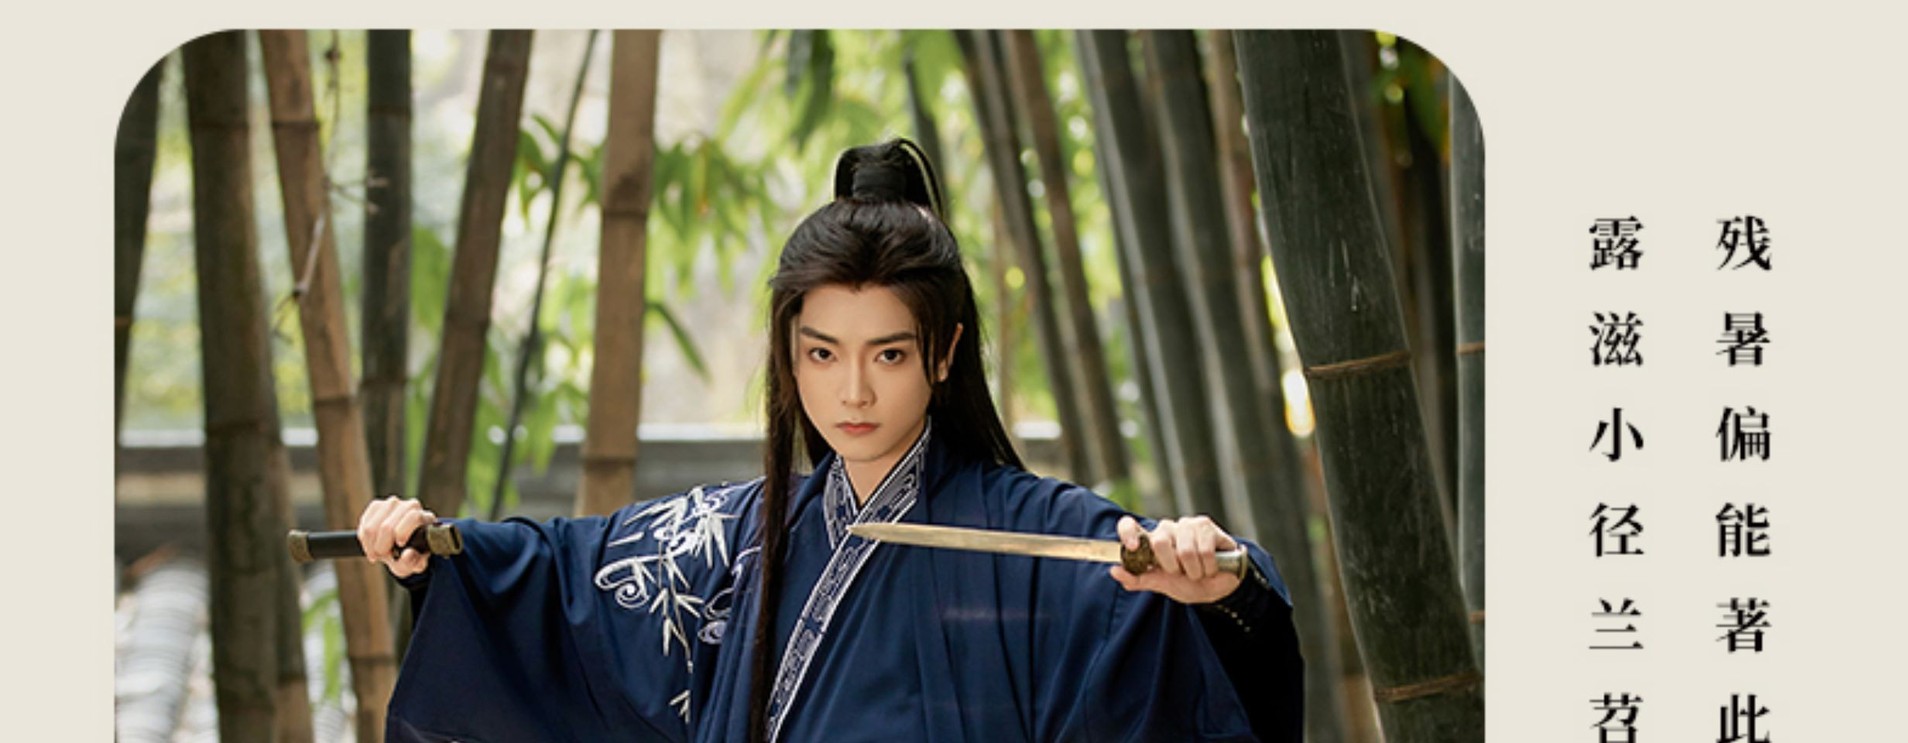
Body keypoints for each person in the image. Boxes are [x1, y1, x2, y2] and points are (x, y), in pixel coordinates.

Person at [361, 139, 1304, 742]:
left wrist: (1229, 589)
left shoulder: (1037, 541)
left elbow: (1169, 617)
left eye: (889, 353)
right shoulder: (735, 540)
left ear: (945, 353)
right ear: (789, 353)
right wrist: (435, 553)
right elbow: (560, 583)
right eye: (823, 352)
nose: (852, 390)